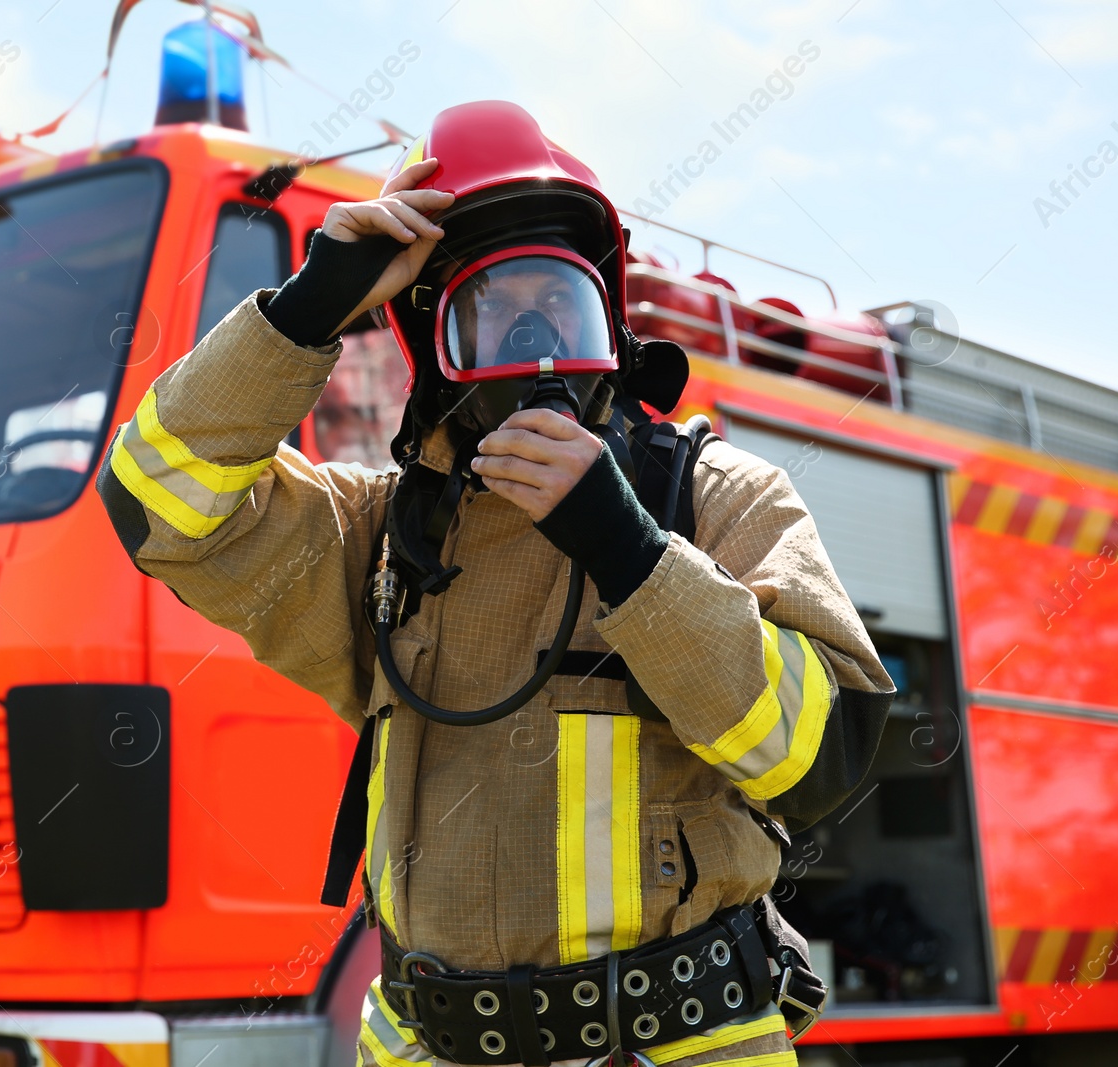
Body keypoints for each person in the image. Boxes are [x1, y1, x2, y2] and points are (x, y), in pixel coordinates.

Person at [97, 101, 895, 1067]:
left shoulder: (715, 496)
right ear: (435, 342)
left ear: (607, 313)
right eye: (493, 307)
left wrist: (630, 550)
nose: (533, 334)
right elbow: (157, 505)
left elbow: (821, 761)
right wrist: (307, 310)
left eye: (559, 300)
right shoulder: (381, 532)